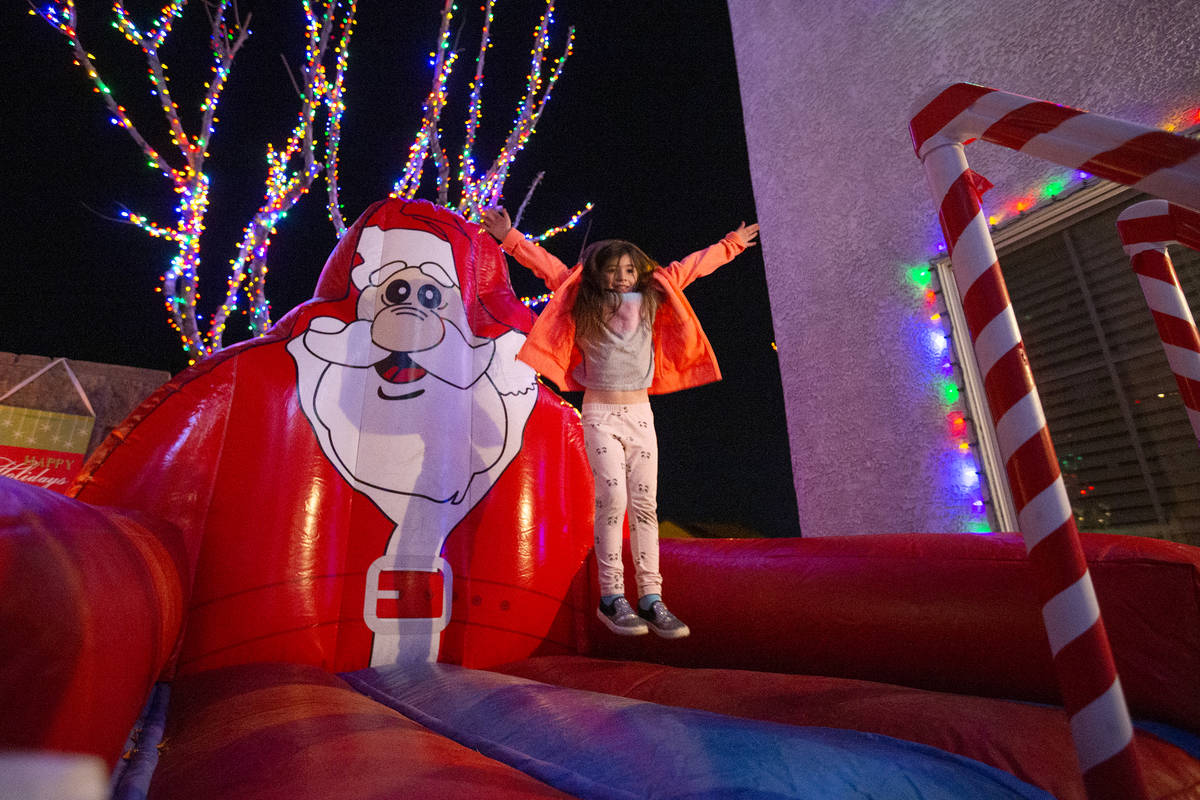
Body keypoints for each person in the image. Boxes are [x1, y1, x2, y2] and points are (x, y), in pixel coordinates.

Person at [481, 207, 759, 638]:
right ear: (597, 273)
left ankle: (652, 597)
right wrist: (510, 237)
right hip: (600, 414)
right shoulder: (581, 296)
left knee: (645, 506)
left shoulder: (655, 293)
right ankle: (611, 596)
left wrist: (732, 245)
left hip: (639, 416)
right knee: (612, 498)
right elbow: (549, 267)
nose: (623, 276)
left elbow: (691, 267)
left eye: (630, 269)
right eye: (613, 270)